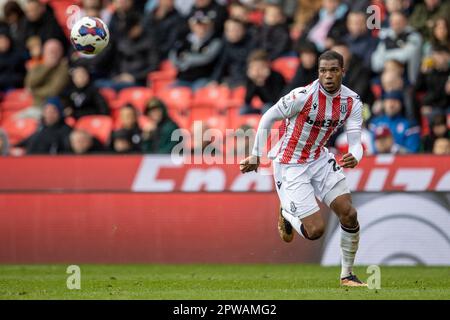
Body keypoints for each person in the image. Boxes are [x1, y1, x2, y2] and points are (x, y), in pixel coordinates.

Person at [240, 50, 367, 287]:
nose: (327, 76)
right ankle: (286, 213)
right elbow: (267, 117)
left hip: (319, 159)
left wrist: (355, 156)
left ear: (343, 72)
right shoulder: (302, 96)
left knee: (349, 213)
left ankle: (347, 275)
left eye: (333, 70)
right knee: (315, 230)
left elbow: (355, 142)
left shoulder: (352, 101)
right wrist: (257, 155)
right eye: (323, 71)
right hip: (291, 163)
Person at [169, 11, 223, 90]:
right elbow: (174, 54)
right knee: (168, 92)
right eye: (197, 25)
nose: (201, 28)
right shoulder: (184, 40)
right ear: (192, 26)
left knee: (198, 92)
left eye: (204, 25)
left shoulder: (214, 41)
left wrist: (187, 58)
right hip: (183, 78)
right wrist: (180, 63)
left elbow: (207, 58)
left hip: (202, 78)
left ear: (210, 25)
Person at [21, 38, 69, 119]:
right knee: (9, 125)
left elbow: (53, 91)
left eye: (56, 51)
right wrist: (47, 67)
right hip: (35, 107)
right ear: (44, 52)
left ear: (61, 53)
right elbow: (29, 83)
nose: (53, 54)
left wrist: (34, 91)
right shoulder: (38, 66)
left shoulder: (63, 69)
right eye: (51, 51)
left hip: (51, 110)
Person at [371, 11, 423, 85]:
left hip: (409, 80)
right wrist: (390, 62)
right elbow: (375, 63)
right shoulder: (387, 37)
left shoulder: (414, 36)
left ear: (405, 22)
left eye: (399, 22)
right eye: (393, 22)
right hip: (387, 76)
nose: (396, 25)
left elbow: (406, 55)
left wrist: (386, 57)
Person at [210, 18, 255, 88]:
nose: (233, 33)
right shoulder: (225, 44)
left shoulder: (252, 44)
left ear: (244, 30)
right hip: (230, 80)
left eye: (236, 30)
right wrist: (215, 80)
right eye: (229, 30)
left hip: (247, 81)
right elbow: (221, 64)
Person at [241, 49, 285, 114]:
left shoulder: (277, 76)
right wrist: (255, 82)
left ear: (267, 65)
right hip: (263, 107)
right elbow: (247, 101)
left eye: (260, 67)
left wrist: (263, 82)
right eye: (254, 67)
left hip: (278, 107)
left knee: (266, 108)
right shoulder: (252, 78)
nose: (257, 70)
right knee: (244, 110)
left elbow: (275, 100)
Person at [0, 22, 26, 92]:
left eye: (5, 40)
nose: (3, 43)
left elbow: (23, 75)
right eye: (1, 40)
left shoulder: (18, 55)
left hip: (15, 87)